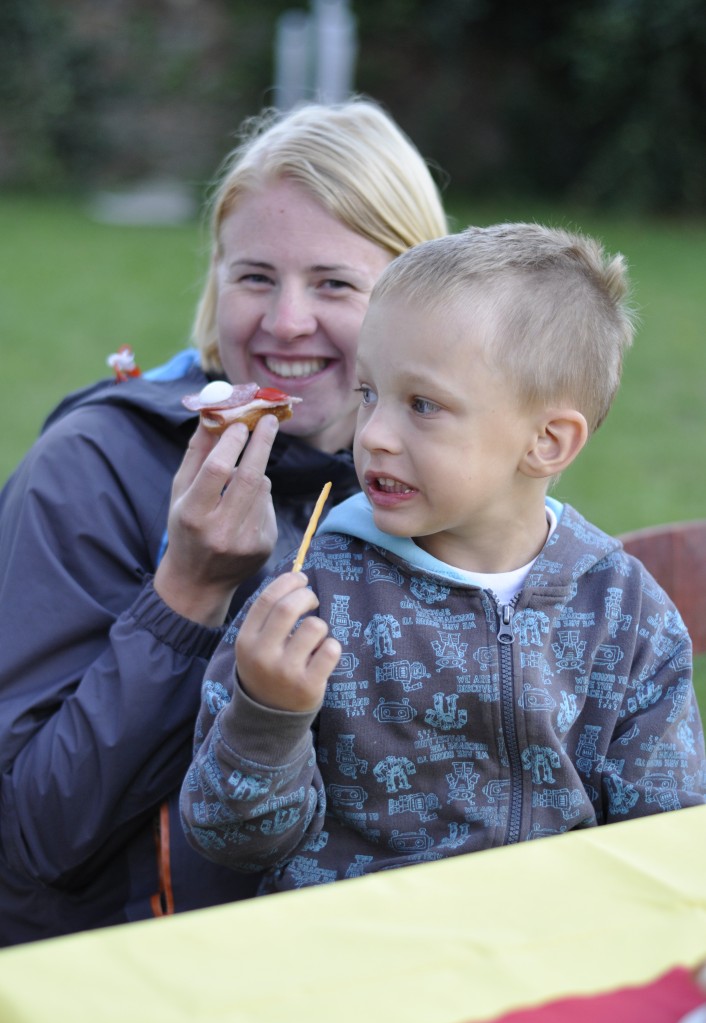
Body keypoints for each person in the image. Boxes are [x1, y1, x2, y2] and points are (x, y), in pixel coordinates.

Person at [0, 98, 448, 945]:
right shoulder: (91, 470)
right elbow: (33, 837)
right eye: (254, 278)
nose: (285, 322)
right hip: (141, 966)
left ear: (417, 299)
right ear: (215, 280)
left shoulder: (443, 486)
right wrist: (188, 592)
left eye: (334, 283)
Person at [180, 222, 706, 892]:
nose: (374, 436)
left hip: (546, 941)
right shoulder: (314, 595)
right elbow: (229, 839)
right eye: (368, 394)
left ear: (546, 441)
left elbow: (667, 843)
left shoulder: (623, 611)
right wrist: (266, 713)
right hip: (356, 945)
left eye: (422, 405)